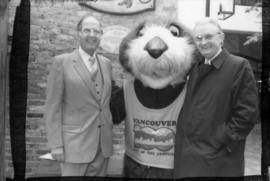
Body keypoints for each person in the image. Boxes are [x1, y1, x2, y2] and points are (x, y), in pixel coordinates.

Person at [174, 18, 260, 178]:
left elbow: (247, 114)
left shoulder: (239, 66)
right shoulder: (194, 66)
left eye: (208, 36)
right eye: (198, 38)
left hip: (218, 157)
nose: (203, 42)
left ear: (221, 38)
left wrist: (223, 141)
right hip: (189, 154)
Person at [44, 15, 113, 177]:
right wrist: (56, 146)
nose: (92, 35)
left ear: (101, 35)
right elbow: (52, 108)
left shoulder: (106, 64)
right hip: (73, 147)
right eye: (87, 30)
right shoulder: (62, 62)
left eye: (96, 31)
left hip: (102, 148)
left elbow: (103, 104)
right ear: (78, 33)